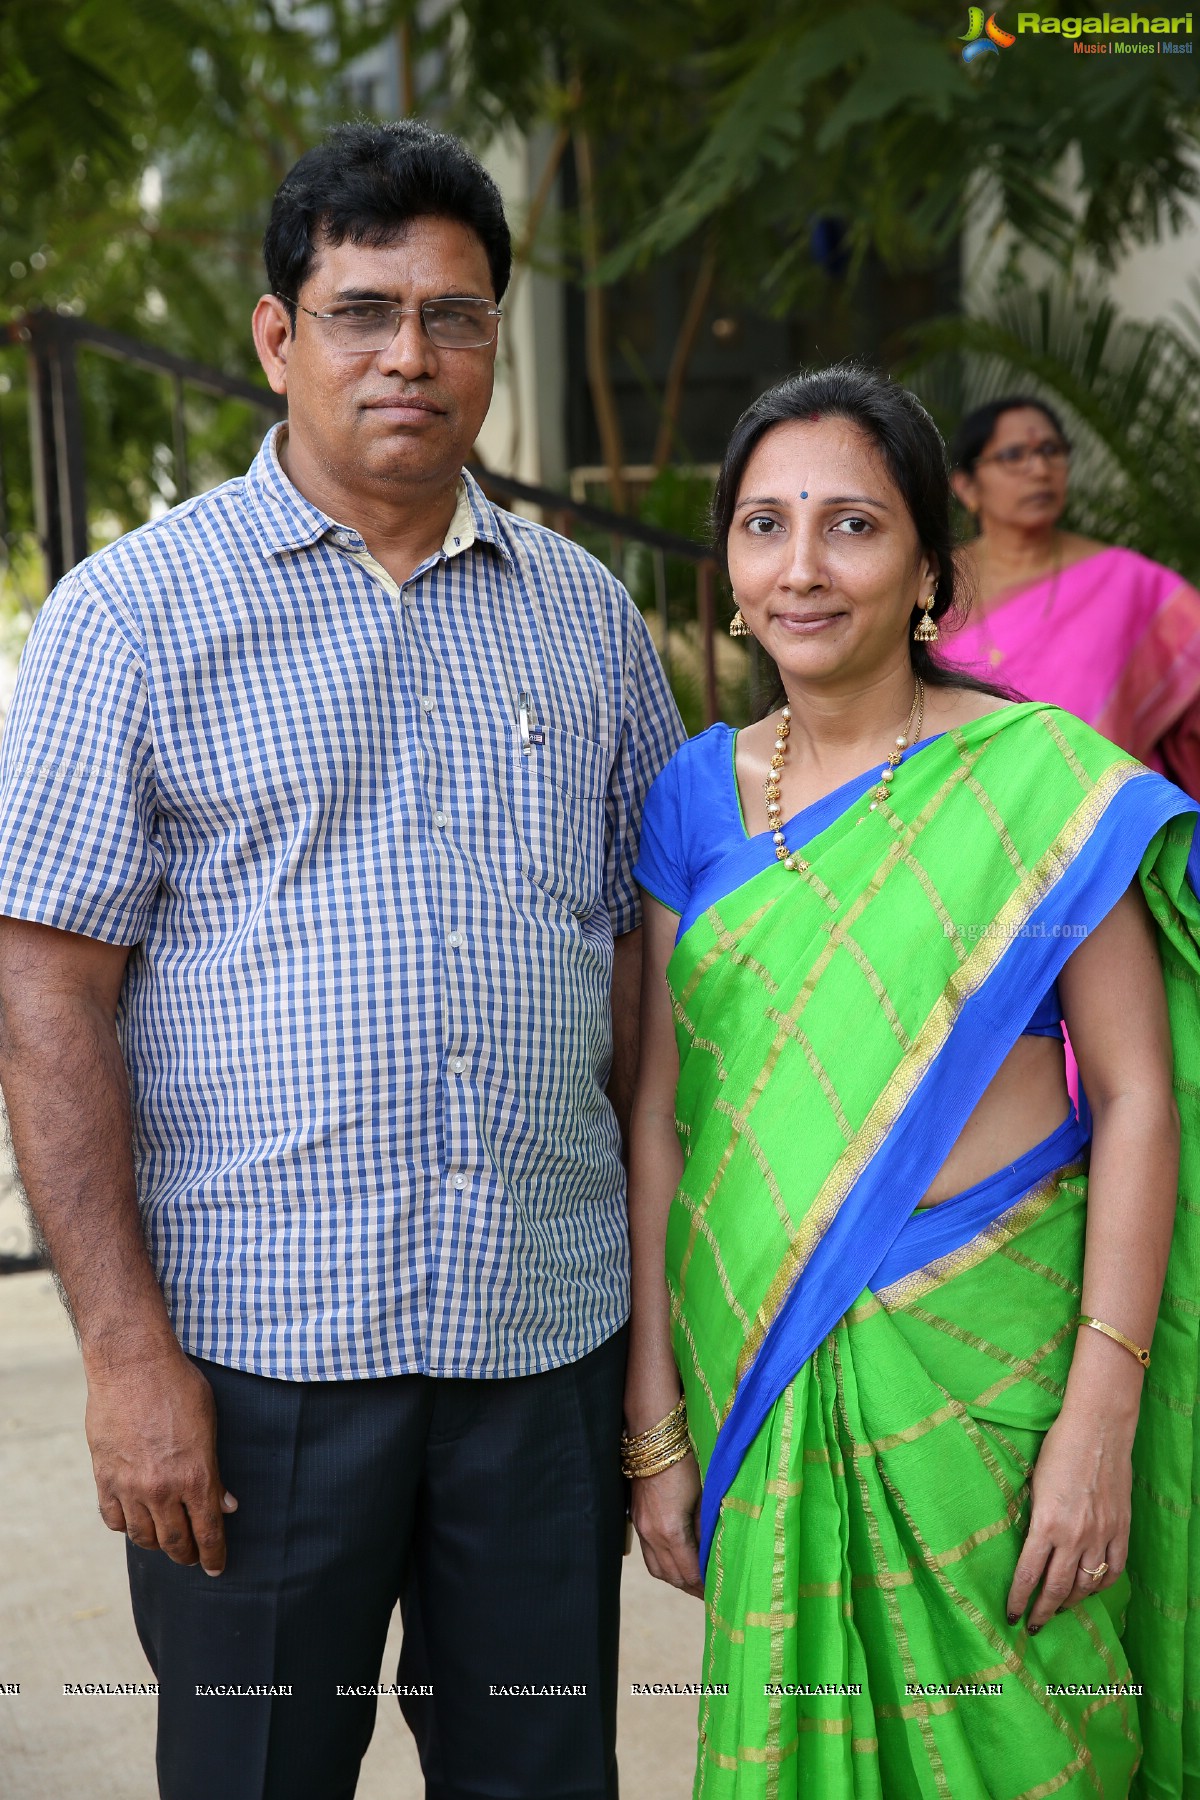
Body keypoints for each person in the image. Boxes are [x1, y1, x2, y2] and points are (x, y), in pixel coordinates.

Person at [0, 121, 683, 1800]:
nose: (412, 356)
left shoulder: (588, 619)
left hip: (540, 1353)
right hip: (254, 1365)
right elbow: (45, 1002)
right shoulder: (132, 616)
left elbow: (648, 981)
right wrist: (124, 1356)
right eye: (365, 310)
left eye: (454, 317)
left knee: (541, 1776)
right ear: (275, 335)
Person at [623, 365, 1200, 1797]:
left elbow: (1134, 1093)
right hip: (762, 1361)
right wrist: (654, 1425)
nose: (802, 567)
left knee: (1039, 1753)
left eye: (853, 526)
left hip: (997, 1377)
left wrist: (1098, 1420)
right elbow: (660, 1113)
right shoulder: (692, 798)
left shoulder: (1041, 781)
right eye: (765, 526)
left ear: (933, 570)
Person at [944, 394, 1200, 795]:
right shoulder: (932, 583)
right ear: (966, 486)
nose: (1040, 469)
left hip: (1106, 824)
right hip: (960, 815)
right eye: (1014, 455)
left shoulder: (1128, 580)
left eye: (1051, 451)